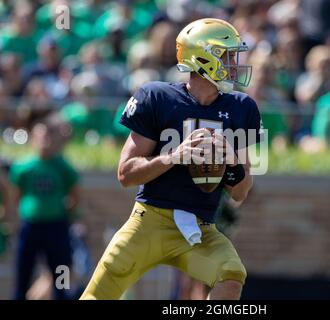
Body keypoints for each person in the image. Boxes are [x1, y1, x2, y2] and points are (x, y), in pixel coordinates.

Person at [80, 18, 262, 300]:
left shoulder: (242, 108)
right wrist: (174, 157)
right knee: (97, 296)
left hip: (201, 227)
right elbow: (126, 174)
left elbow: (240, 193)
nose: (234, 63)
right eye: (227, 55)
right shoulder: (158, 97)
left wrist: (233, 164)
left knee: (231, 275)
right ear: (203, 57)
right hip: (149, 221)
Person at [9, 115, 80, 300]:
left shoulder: (62, 166)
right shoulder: (23, 167)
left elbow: (75, 193)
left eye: (48, 136)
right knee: (23, 275)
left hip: (56, 226)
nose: (45, 141)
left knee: (61, 275)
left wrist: (68, 214)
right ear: (33, 138)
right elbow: (15, 195)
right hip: (30, 226)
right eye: (41, 136)